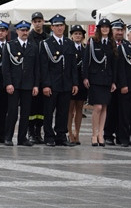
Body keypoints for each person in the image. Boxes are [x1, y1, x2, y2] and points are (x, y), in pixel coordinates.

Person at [39, 14, 77, 147]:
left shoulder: (69, 43)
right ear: (52, 27)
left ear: (65, 27)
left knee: (63, 111)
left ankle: (61, 135)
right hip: (52, 84)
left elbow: (73, 65)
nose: (59, 28)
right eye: (56, 26)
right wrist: (46, 84)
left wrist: (75, 83)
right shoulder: (46, 44)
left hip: (66, 83)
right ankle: (49, 136)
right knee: (49, 111)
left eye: (61, 25)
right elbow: (43, 66)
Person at [2, 20, 39, 146]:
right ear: (17, 31)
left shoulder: (33, 46)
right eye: (22, 30)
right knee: (12, 112)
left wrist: (36, 85)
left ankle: (22, 138)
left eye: (26, 30)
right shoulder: (10, 45)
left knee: (26, 112)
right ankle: (8, 137)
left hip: (28, 84)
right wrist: (8, 83)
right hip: (14, 84)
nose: (24, 32)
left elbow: (36, 68)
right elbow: (5, 67)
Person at [83, 18, 116, 147]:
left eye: (107, 27)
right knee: (97, 107)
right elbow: (86, 61)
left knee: (104, 108)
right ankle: (94, 134)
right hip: (95, 79)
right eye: (102, 27)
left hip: (107, 79)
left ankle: (101, 134)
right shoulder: (93, 42)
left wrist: (114, 81)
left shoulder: (111, 43)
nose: (105, 29)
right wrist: (85, 77)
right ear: (99, 29)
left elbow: (114, 64)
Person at [102, 19, 127, 145]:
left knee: (121, 112)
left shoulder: (126, 45)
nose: (120, 32)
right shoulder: (107, 44)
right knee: (109, 111)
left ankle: (121, 136)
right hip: (110, 82)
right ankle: (108, 134)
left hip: (123, 84)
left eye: (121, 30)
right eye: (117, 30)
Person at [27, 11, 48, 144]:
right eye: (35, 21)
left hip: (44, 76)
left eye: (39, 21)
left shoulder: (47, 37)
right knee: (31, 106)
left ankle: (38, 131)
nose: (38, 23)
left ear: (43, 22)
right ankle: (30, 131)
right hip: (32, 76)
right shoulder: (29, 37)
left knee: (42, 107)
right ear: (32, 23)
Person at [67, 25, 88, 144]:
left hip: (82, 81)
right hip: (71, 81)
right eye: (75, 34)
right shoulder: (69, 48)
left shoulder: (85, 49)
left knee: (80, 108)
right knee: (70, 108)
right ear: (72, 36)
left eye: (80, 34)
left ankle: (77, 133)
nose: (78, 36)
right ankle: (69, 133)